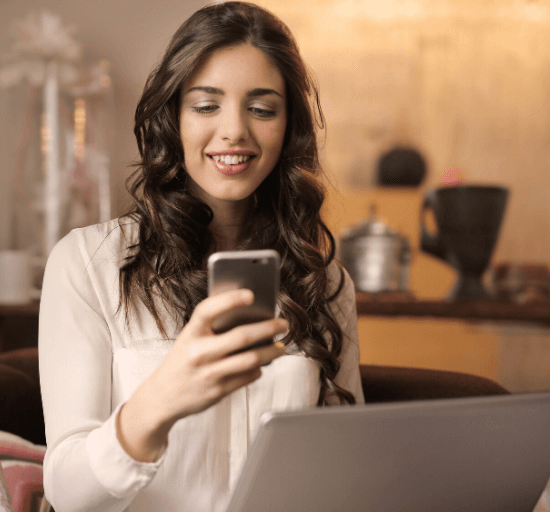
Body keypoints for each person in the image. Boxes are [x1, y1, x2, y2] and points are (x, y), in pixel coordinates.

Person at [38, 2, 363, 511]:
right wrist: (160, 399)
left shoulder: (322, 281)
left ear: (288, 126)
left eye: (262, 108)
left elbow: (347, 469)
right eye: (206, 105)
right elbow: (67, 492)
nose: (234, 130)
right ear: (173, 116)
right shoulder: (87, 263)